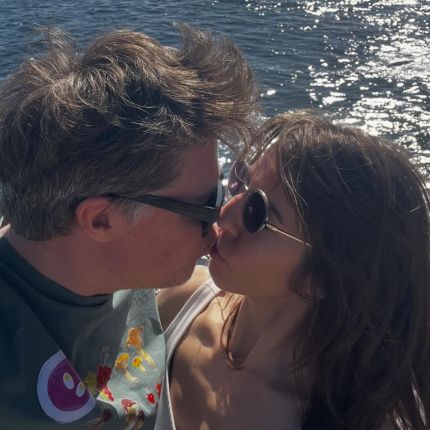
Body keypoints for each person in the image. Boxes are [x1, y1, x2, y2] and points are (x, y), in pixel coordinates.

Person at [0, 25, 258, 429]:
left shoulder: (130, 270)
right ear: (101, 219)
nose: (218, 224)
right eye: (204, 207)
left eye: (222, 192)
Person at [156, 112, 430, 430]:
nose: (224, 216)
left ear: (322, 276)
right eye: (240, 181)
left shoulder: (352, 420)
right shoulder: (181, 301)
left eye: (256, 213)